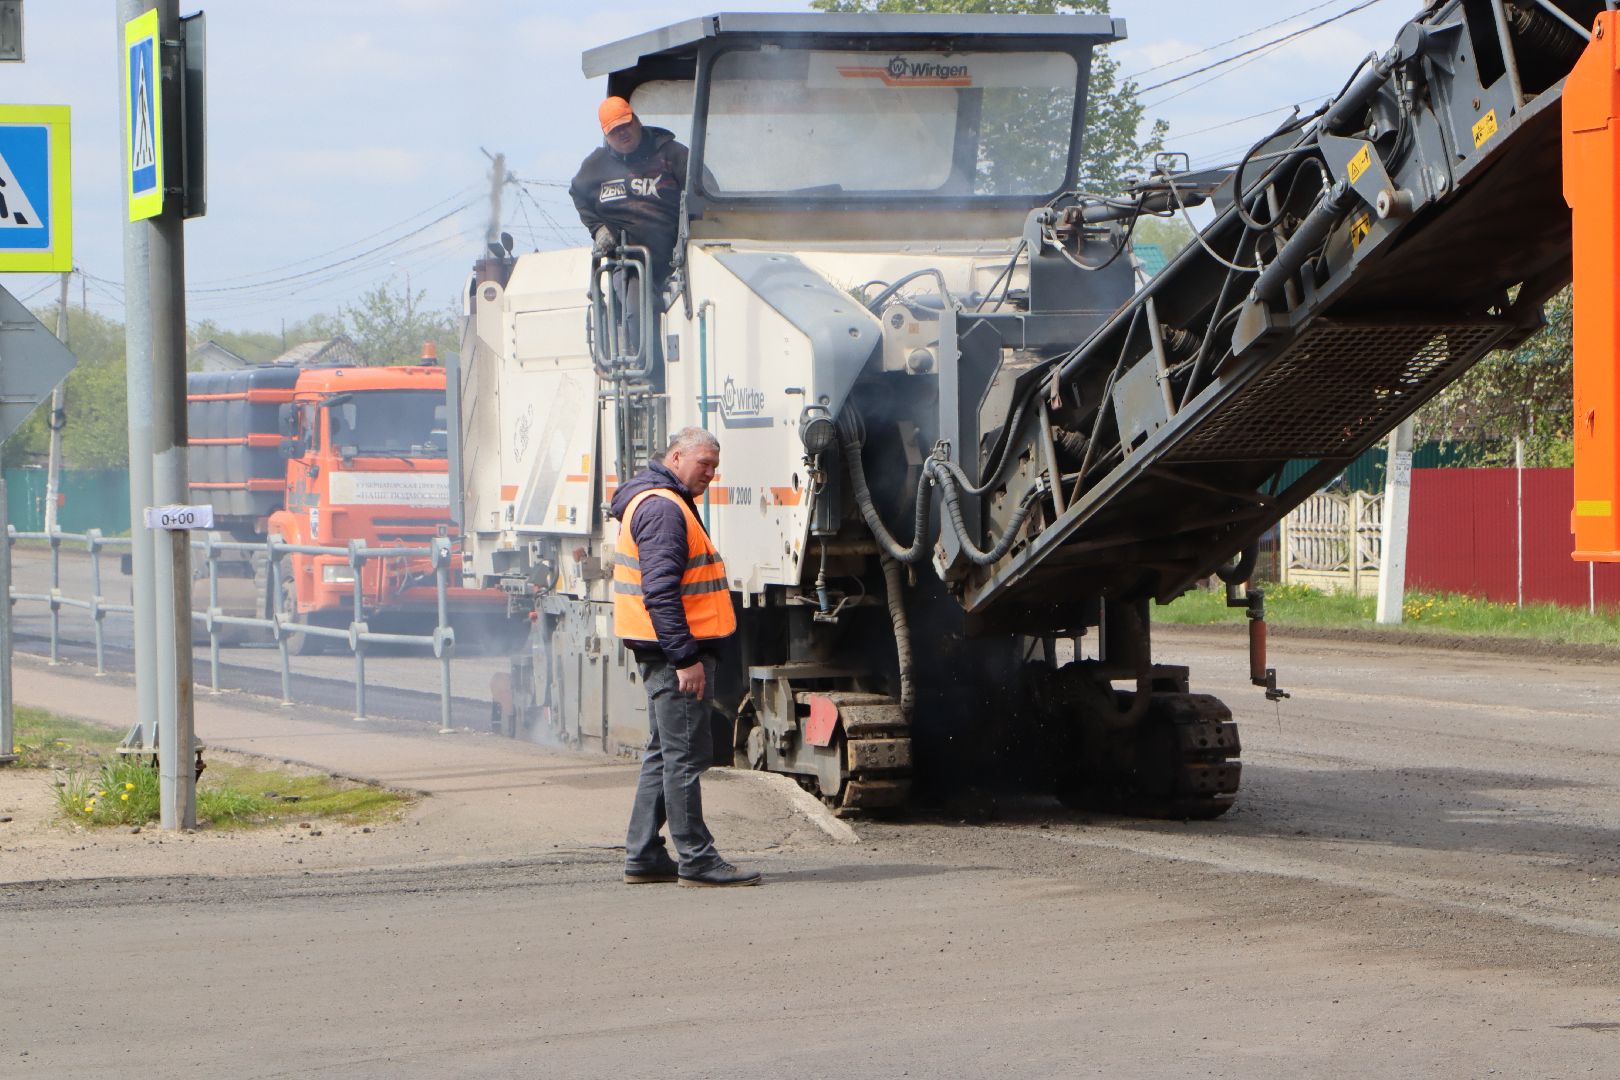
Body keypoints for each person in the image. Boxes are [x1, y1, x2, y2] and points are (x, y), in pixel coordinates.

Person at [609, 427, 760, 888]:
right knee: (686, 755)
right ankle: (696, 858)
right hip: (676, 654)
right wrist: (685, 659)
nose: (711, 475)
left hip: (667, 651)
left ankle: (643, 855)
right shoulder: (662, 508)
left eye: (715, 467)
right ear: (675, 457)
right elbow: (660, 592)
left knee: (664, 753)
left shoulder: (660, 500)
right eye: (704, 465)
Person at [569, 95, 687, 287]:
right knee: (635, 310)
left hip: (682, 261)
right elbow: (577, 193)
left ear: (637, 121)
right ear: (606, 136)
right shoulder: (595, 166)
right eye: (614, 131)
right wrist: (598, 228)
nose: (622, 133)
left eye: (625, 125)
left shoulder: (672, 153)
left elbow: (701, 189)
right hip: (632, 267)